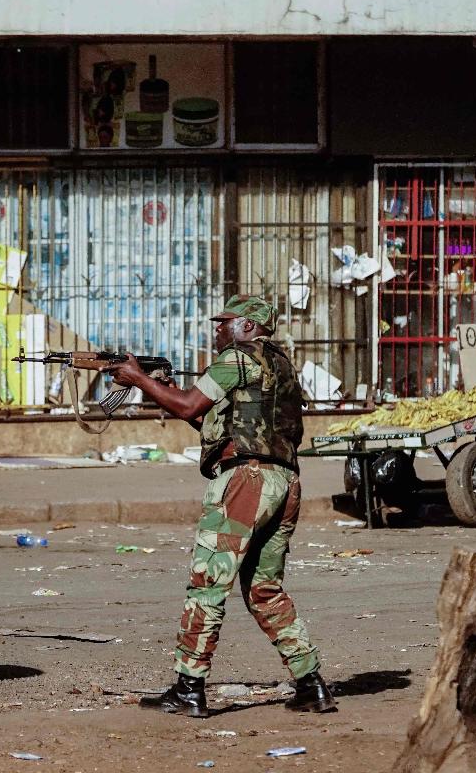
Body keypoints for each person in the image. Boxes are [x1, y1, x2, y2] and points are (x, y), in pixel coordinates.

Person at [105, 295, 334, 718]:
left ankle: (189, 688)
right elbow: (207, 419)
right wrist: (158, 387)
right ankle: (312, 685)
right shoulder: (280, 364)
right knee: (264, 589)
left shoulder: (237, 357)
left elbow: (190, 405)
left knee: (208, 582)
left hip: (247, 480)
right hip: (285, 481)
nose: (217, 330)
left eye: (224, 322)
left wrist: (136, 378)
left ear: (247, 326)